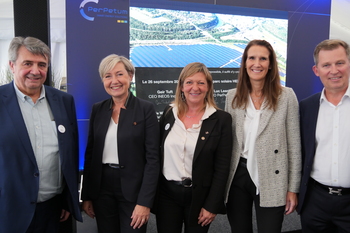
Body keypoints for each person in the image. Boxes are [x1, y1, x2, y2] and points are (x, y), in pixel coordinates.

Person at [0, 36, 82, 233]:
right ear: (12, 65)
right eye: (27, 63)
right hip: (9, 211)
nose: (35, 71)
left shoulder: (64, 101)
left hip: (54, 211)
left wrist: (67, 200)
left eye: (42, 64)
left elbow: (70, 153)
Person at [224, 39, 301, 233]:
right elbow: (228, 143)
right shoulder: (232, 96)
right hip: (238, 176)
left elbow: (294, 146)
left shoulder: (286, 96)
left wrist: (293, 189)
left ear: (270, 64)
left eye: (263, 59)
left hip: (272, 175)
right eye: (252, 58)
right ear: (244, 63)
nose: (256, 64)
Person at [81, 54, 160, 233]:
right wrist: (86, 196)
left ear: (130, 76)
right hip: (102, 189)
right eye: (108, 76)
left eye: (119, 74)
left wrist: (145, 202)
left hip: (134, 189)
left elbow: (153, 159)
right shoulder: (98, 109)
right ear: (103, 80)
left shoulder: (145, 109)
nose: (114, 81)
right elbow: (90, 154)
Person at [155, 62, 233, 233]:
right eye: (189, 82)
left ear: (208, 87)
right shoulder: (169, 113)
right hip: (167, 195)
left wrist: (212, 205)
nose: (194, 88)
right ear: (181, 87)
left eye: (201, 83)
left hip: (199, 198)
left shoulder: (221, 120)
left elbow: (222, 168)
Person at [298, 39, 350, 232]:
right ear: (316, 70)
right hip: (315, 202)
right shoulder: (307, 107)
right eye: (326, 65)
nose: (334, 70)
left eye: (340, 63)